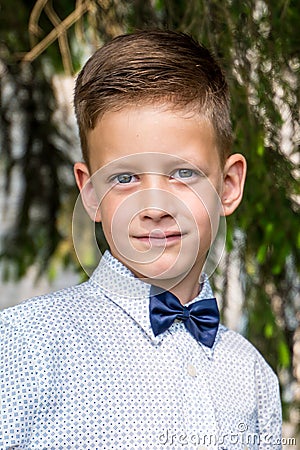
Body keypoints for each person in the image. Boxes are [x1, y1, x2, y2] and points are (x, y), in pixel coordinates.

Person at [0, 30, 282, 449]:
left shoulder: (252, 374)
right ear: (91, 193)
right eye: (125, 178)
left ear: (228, 186)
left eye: (183, 173)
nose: (154, 206)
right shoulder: (23, 347)